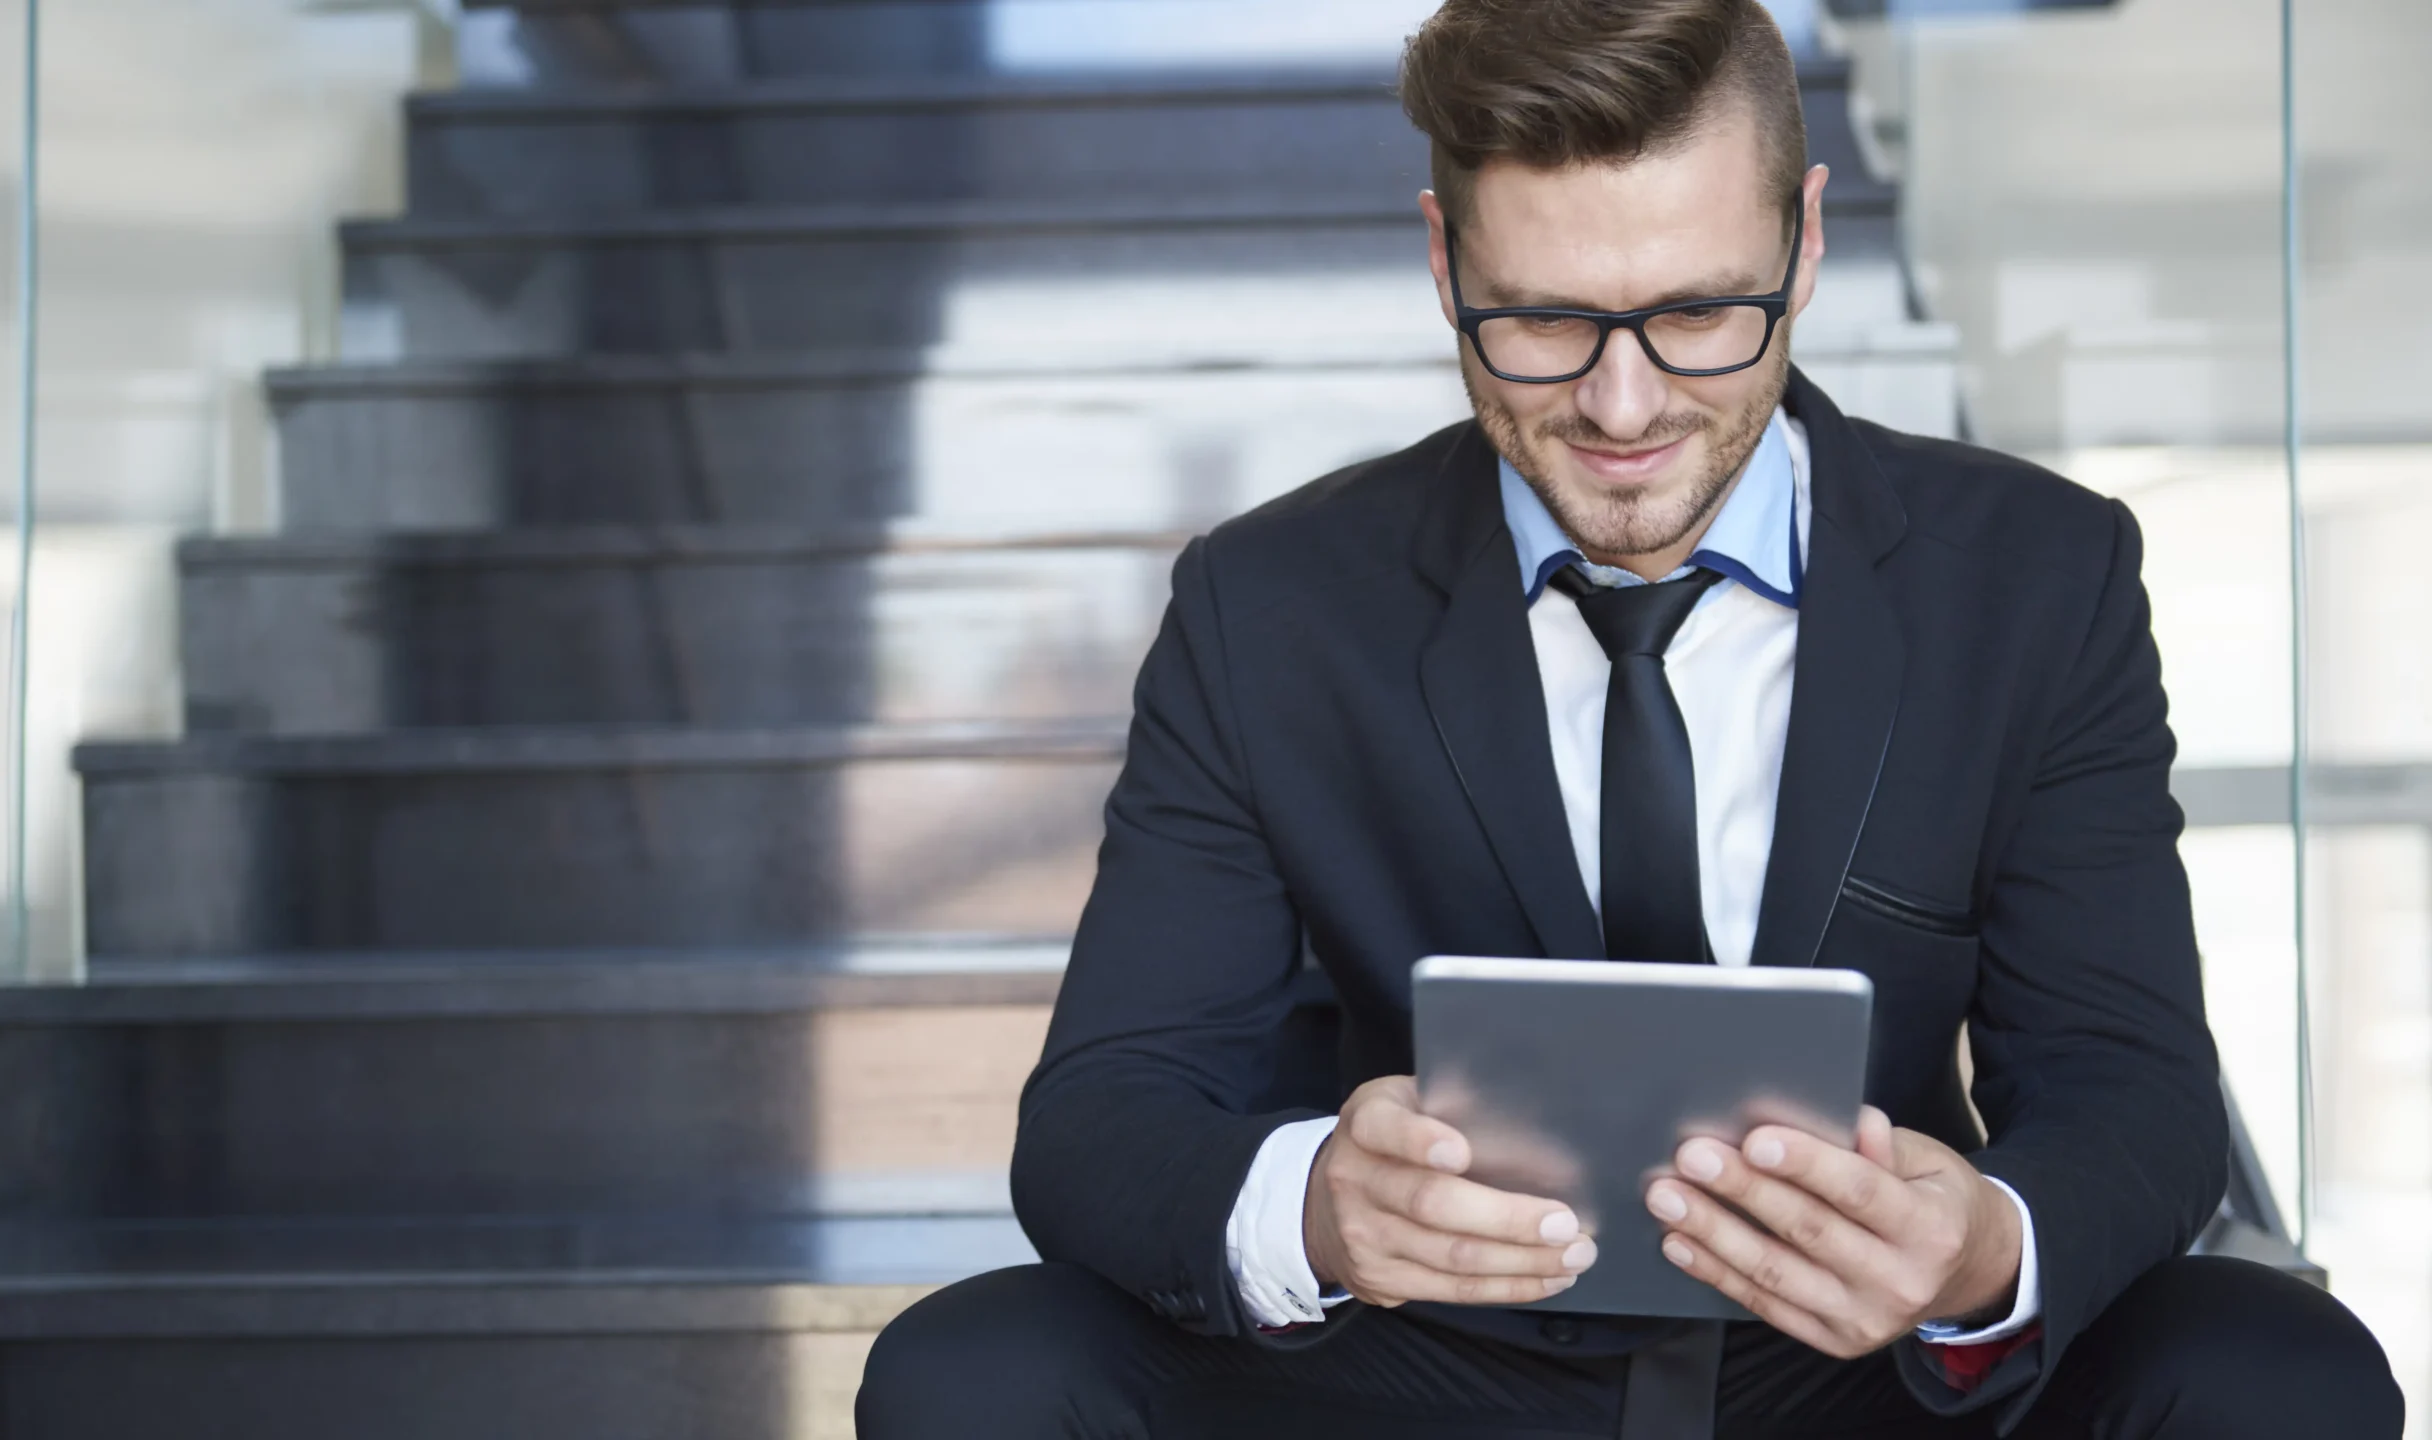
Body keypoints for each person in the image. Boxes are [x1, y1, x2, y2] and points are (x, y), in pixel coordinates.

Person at [856, 1, 2403, 1435]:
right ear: (1445, 263)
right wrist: (1319, 1203)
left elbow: (2133, 1086)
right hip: (1429, 1353)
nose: (1620, 407)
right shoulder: (1266, 607)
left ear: (1802, 244)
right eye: (1540, 322)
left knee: (2274, 1367)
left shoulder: (2038, 578)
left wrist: (1976, 1249)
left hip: (1857, 1365)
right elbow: (1101, 1118)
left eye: (1696, 312)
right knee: (975, 1370)